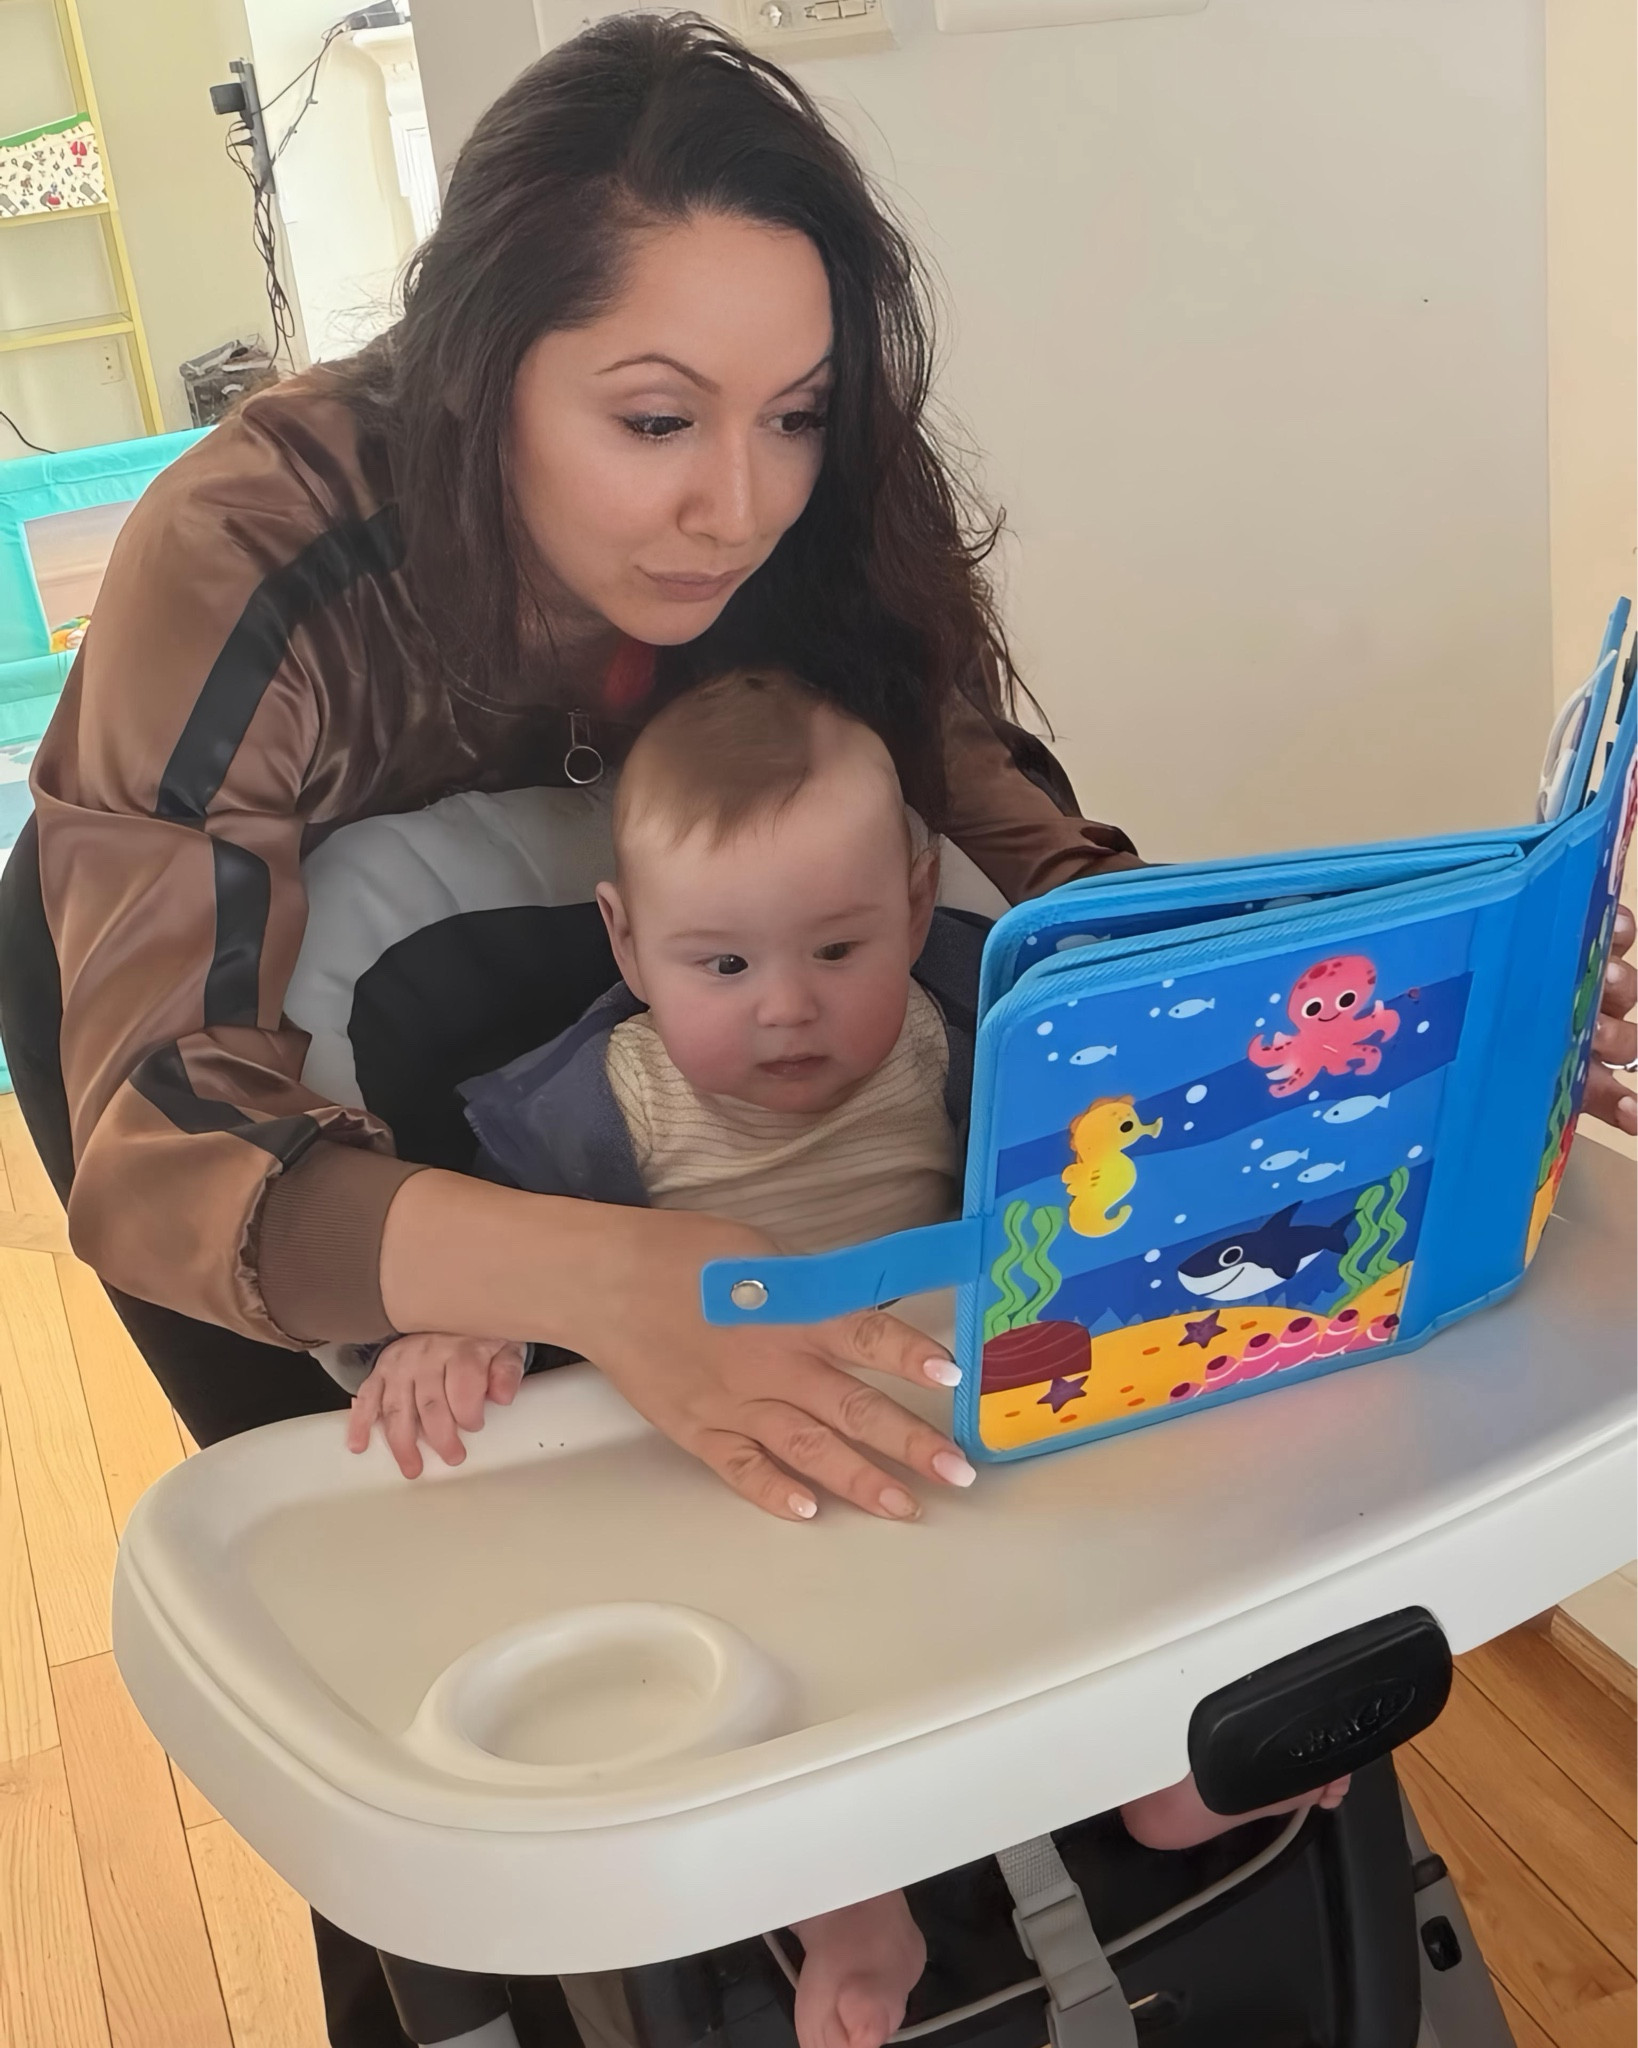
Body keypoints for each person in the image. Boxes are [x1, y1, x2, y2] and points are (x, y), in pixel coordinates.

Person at [0, 16, 1628, 2047]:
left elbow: (1036, 866)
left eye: (796, 413)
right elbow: (164, 1136)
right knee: (434, 1669)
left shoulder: (828, 508)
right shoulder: (246, 558)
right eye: (658, 420)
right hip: (318, 1133)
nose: (737, 507)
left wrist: (1415, 1024)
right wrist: (621, 1279)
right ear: (479, 364)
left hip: (777, 1114)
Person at [344, 669, 1355, 2048]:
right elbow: (516, 1265)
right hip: (757, 1483)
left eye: (836, 950)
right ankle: (846, 1902)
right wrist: (455, 1329)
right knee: (755, 1698)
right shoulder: (595, 1112)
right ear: (627, 945)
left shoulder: (961, 1036)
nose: (786, 1010)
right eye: (722, 965)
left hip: (972, 1433)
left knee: (1140, 1559)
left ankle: (1181, 1772)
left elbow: (1123, 1145)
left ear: (914, 898)